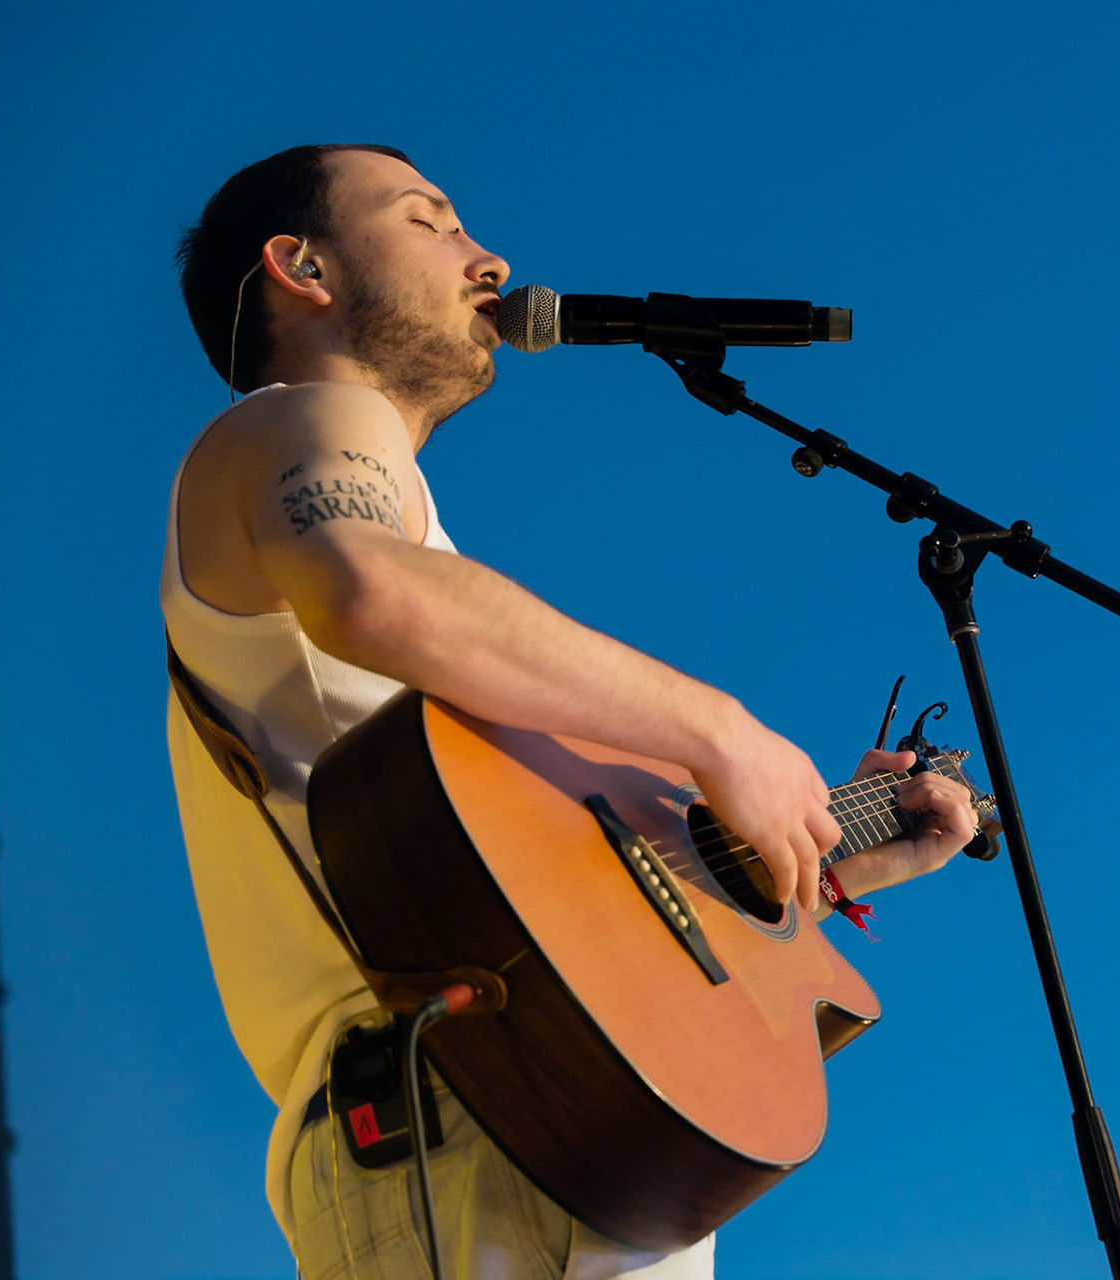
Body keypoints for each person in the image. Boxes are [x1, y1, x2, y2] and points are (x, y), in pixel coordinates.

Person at [163, 143, 975, 1280]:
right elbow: (369, 585)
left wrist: (832, 851)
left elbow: (583, 903)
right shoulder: (294, 424)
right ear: (302, 266)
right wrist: (720, 730)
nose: (487, 256)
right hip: (452, 1112)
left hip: (530, 1130)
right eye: (428, 219)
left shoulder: (461, 645)